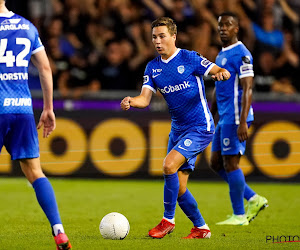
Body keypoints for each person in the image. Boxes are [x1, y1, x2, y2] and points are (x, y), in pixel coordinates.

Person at [120, 17, 230, 239]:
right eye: (154, 37)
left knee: (169, 166)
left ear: (173, 37)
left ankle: (167, 221)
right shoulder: (152, 68)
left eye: (162, 36)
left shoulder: (189, 58)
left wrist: (221, 72)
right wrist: (131, 100)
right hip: (178, 130)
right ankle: (201, 228)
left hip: (200, 126)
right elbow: (144, 99)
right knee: (178, 189)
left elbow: (216, 69)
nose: (157, 41)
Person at [0, 1, 71, 249]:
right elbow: (44, 67)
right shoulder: (27, 26)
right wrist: (49, 108)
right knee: (34, 172)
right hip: (21, 108)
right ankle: (59, 230)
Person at [210, 12, 268, 226]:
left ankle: (239, 215)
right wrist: (211, 113)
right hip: (224, 117)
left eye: (228, 24)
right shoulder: (221, 54)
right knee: (216, 163)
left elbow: (248, 87)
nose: (223, 28)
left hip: (236, 117)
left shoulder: (242, 54)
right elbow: (218, 89)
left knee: (231, 163)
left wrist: (243, 120)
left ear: (237, 28)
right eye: (220, 25)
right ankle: (253, 198)